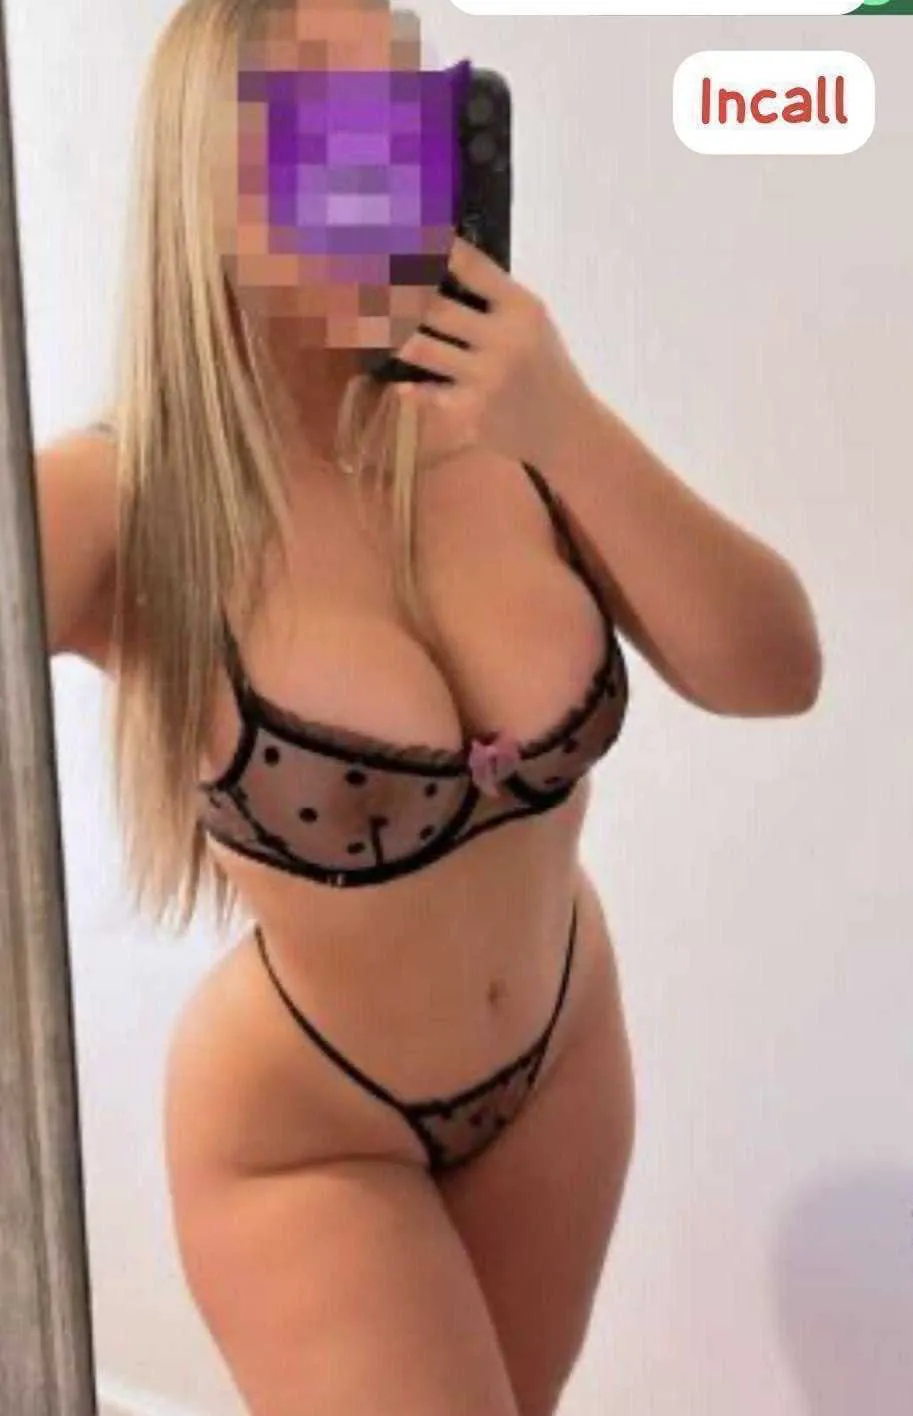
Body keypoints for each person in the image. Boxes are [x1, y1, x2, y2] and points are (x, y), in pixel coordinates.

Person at [37, 0, 823, 1412]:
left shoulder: (503, 421)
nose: (395, 155)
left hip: (564, 1056)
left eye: (411, 98)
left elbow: (777, 670)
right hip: (308, 1128)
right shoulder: (129, 499)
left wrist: (567, 425)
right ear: (210, 170)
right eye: (334, 112)